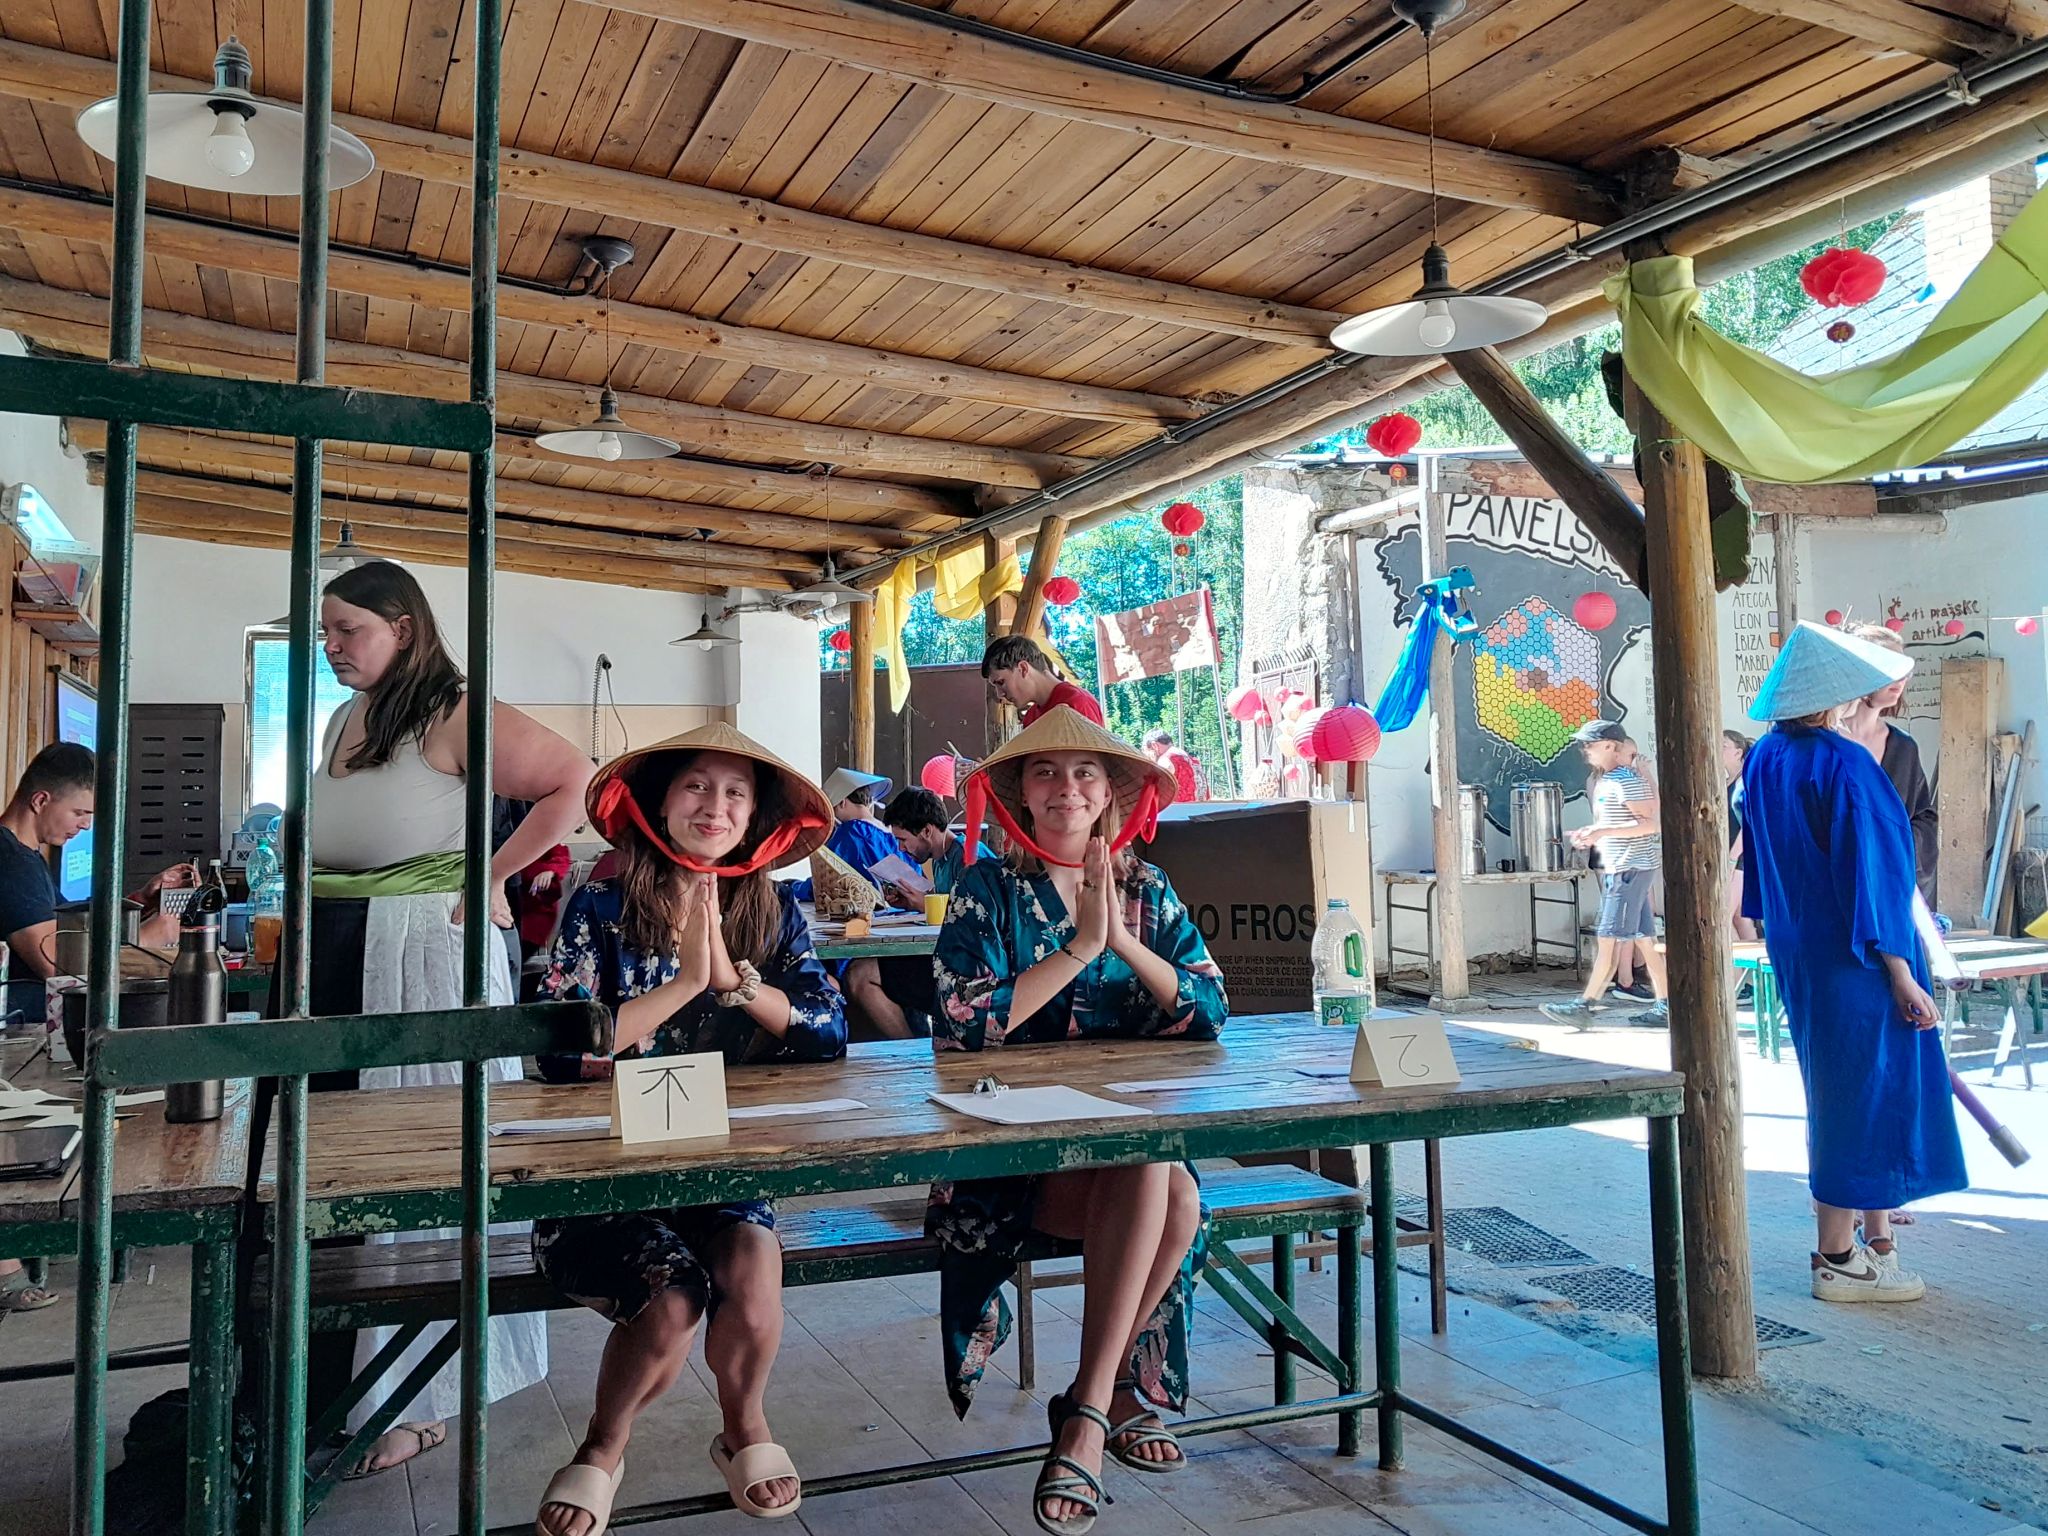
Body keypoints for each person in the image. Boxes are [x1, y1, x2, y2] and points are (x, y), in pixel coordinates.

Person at [308, 560, 593, 1478]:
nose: (332, 645)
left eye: (349, 629)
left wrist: (491, 873)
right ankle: (336, 1371)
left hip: (419, 948)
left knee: (419, 1156)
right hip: (339, 947)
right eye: (326, 630)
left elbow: (573, 780)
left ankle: (416, 1399)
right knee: (338, 1157)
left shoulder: (453, 710)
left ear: (403, 627)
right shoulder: (347, 715)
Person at [533, 723, 842, 1532]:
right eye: (696, 786)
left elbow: (827, 1030)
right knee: (672, 1301)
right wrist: (683, 985)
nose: (715, 806)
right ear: (660, 802)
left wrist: (735, 982)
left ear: (756, 817)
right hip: (603, 1171)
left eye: (736, 792)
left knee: (754, 1269)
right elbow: (559, 1051)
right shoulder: (601, 905)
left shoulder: (772, 911)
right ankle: (603, 1445)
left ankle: (745, 1427)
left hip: (719, 1166)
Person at [932, 706, 1227, 1535]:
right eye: (1046, 773)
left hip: (1126, 1150)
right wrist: (1077, 949)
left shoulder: (1146, 889)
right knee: (1170, 1183)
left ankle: (1086, 1410)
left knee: (1160, 1170)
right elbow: (961, 1022)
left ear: (1110, 796)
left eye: (1085, 773)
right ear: (1022, 795)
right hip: (1008, 1159)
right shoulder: (987, 889)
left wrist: (1121, 942)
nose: (1067, 787)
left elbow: (1209, 1008)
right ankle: (1108, 1398)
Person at [1741, 622, 1966, 1302]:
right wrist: (1900, 972)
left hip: (1802, 948)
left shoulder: (1764, 756)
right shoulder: (1845, 763)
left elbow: (1760, 870)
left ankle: (1871, 1242)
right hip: (1858, 957)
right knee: (1861, 1098)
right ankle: (1837, 1259)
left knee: (1840, 1092)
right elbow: (1873, 878)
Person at [0, 744, 190, 1313]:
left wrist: (137, 900)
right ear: (41, 800)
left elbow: (64, 923)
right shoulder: (11, 862)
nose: (84, 827)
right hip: (24, 1029)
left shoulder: (26, 856)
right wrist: (149, 939)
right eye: (80, 813)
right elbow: (58, 963)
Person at [1542, 721, 1668, 1028]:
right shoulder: (1607, 780)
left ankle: (1584, 1005)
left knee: (1609, 939)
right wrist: (1593, 833)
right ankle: (1666, 1005)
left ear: (1611, 746)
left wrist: (1602, 831)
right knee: (1645, 940)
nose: (1585, 749)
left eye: (1591, 744)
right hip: (1623, 867)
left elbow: (1652, 824)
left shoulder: (1626, 780)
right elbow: (1623, 822)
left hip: (1628, 869)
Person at [844, 788, 991, 1040]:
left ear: (927, 831)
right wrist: (913, 903)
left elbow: (987, 920)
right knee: (859, 969)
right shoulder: (941, 859)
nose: (901, 848)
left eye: (903, 839)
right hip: (946, 959)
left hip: (969, 971)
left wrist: (926, 905)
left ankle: (910, 1050)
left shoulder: (970, 856)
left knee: (860, 976)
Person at [1836, 624, 1937, 906]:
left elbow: (1923, 817)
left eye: (1905, 668)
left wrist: (1894, 843)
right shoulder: (1823, 744)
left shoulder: (1904, 747)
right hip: (1832, 893)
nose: (1900, 678)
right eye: (1889, 665)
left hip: (1888, 892)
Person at [787, 767, 896, 901]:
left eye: (832, 808)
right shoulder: (889, 832)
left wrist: (793, 887)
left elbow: (823, 880)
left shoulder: (852, 831)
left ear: (842, 802)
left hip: (867, 910)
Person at [981, 634, 1104, 728]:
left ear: (1023, 668)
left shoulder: (1078, 703)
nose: (1000, 694)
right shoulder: (1031, 718)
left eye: (1001, 682)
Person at [1723, 730, 1758, 944]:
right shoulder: (1729, 782)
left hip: (1739, 857)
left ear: (1738, 752)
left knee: (1724, 916)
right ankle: (1754, 963)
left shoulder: (1744, 782)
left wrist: (1732, 857)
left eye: (1724, 746)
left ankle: (1734, 964)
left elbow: (1748, 825)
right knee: (1740, 917)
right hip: (1734, 855)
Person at [1140, 730, 1207, 804]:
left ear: (1154, 746)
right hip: (1202, 808)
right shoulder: (1191, 759)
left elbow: (1155, 793)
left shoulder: (1165, 760)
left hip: (1177, 809)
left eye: (1145, 750)